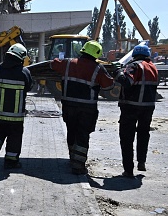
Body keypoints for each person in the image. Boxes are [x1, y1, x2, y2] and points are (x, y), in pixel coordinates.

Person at [50, 40, 114, 174]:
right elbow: (109, 86)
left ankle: (72, 158)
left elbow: (53, 64)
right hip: (87, 109)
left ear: (83, 50)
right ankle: (78, 165)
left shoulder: (68, 64)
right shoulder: (98, 69)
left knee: (71, 131)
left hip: (69, 106)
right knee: (82, 135)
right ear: (96, 54)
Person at [0, 43, 33, 169]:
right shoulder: (25, 72)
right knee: (14, 138)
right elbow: (29, 87)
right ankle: (11, 162)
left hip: (0, 114)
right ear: (21, 58)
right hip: (16, 116)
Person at [114, 45, 158, 178]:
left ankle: (128, 170)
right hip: (148, 108)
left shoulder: (134, 66)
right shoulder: (153, 68)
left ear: (134, 55)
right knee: (143, 134)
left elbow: (127, 82)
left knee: (127, 138)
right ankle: (141, 161)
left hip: (131, 107)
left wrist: (118, 72)